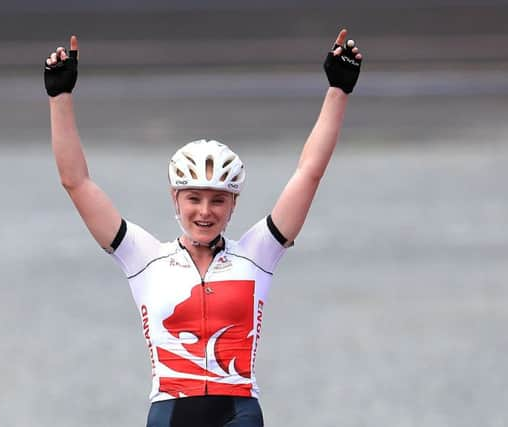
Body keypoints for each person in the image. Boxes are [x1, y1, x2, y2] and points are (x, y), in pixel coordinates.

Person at [44, 29, 362, 427]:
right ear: (175, 199)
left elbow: (308, 173)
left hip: (239, 413)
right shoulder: (144, 258)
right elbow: (77, 183)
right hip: (171, 410)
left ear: (234, 205)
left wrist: (338, 91)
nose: (205, 212)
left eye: (218, 200)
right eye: (194, 198)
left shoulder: (257, 254)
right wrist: (60, 98)